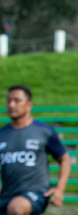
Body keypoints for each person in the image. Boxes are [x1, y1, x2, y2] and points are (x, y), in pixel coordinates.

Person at [0, 85, 71, 215]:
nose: (11, 104)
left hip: (35, 194)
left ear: (29, 105)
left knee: (17, 208)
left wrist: (59, 190)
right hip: (6, 196)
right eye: (8, 101)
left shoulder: (43, 131)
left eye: (16, 100)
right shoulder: (2, 134)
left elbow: (64, 159)